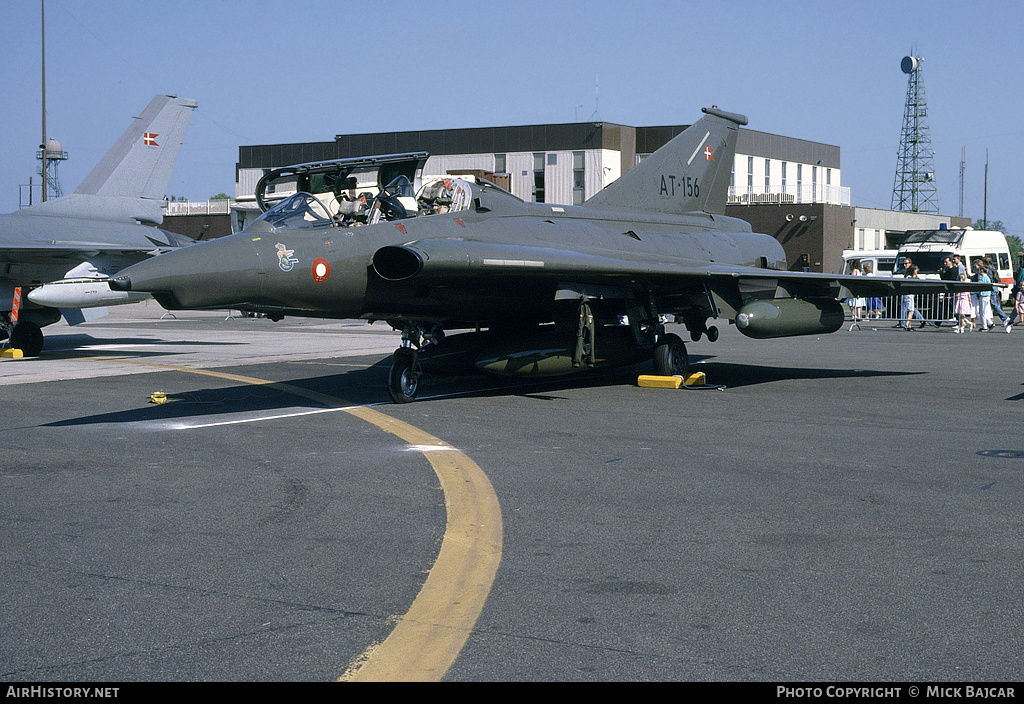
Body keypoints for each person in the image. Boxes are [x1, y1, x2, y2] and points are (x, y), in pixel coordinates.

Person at [894, 257, 928, 328]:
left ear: (910, 264)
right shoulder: (907, 272)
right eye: (904, 263)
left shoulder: (911, 273)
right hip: (908, 292)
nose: (904, 265)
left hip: (908, 293)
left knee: (905, 307)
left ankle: (903, 323)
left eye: (906, 263)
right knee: (911, 308)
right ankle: (921, 320)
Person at [972, 261, 993, 331]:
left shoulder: (984, 278)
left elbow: (980, 286)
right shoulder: (987, 277)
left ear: (981, 270)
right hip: (986, 296)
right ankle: (990, 323)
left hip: (984, 296)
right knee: (983, 311)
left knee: (982, 312)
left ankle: (984, 326)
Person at [901, 264, 919, 330]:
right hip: (909, 295)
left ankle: (909, 325)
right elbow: (918, 280)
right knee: (911, 310)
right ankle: (907, 324)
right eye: (916, 271)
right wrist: (916, 276)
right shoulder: (910, 277)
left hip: (907, 295)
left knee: (910, 310)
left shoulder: (907, 276)